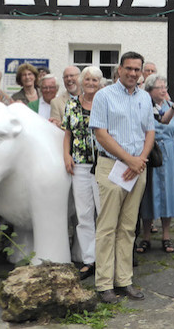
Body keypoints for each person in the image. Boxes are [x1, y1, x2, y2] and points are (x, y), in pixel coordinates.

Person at [89, 51, 155, 304]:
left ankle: (124, 281)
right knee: (107, 227)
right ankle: (104, 284)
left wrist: (139, 162)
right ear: (119, 69)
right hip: (112, 167)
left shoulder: (145, 98)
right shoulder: (104, 96)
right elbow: (101, 134)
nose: (132, 73)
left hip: (137, 170)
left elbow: (150, 131)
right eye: (128, 68)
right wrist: (130, 160)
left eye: (137, 69)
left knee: (128, 228)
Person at [62, 66, 103, 280]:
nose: (90, 83)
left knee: (104, 213)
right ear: (81, 81)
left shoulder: (105, 103)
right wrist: (67, 155)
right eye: (87, 79)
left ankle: (104, 258)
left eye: (95, 80)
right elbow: (67, 133)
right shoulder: (72, 104)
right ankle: (89, 260)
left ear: (100, 83)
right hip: (80, 165)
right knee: (84, 214)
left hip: (102, 165)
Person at [135, 75, 174, 254]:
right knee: (148, 193)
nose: (164, 90)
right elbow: (161, 120)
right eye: (159, 87)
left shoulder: (173, 107)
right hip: (151, 153)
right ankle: (146, 237)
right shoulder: (145, 106)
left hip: (170, 154)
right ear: (149, 90)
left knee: (168, 194)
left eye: (165, 86)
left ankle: (166, 235)